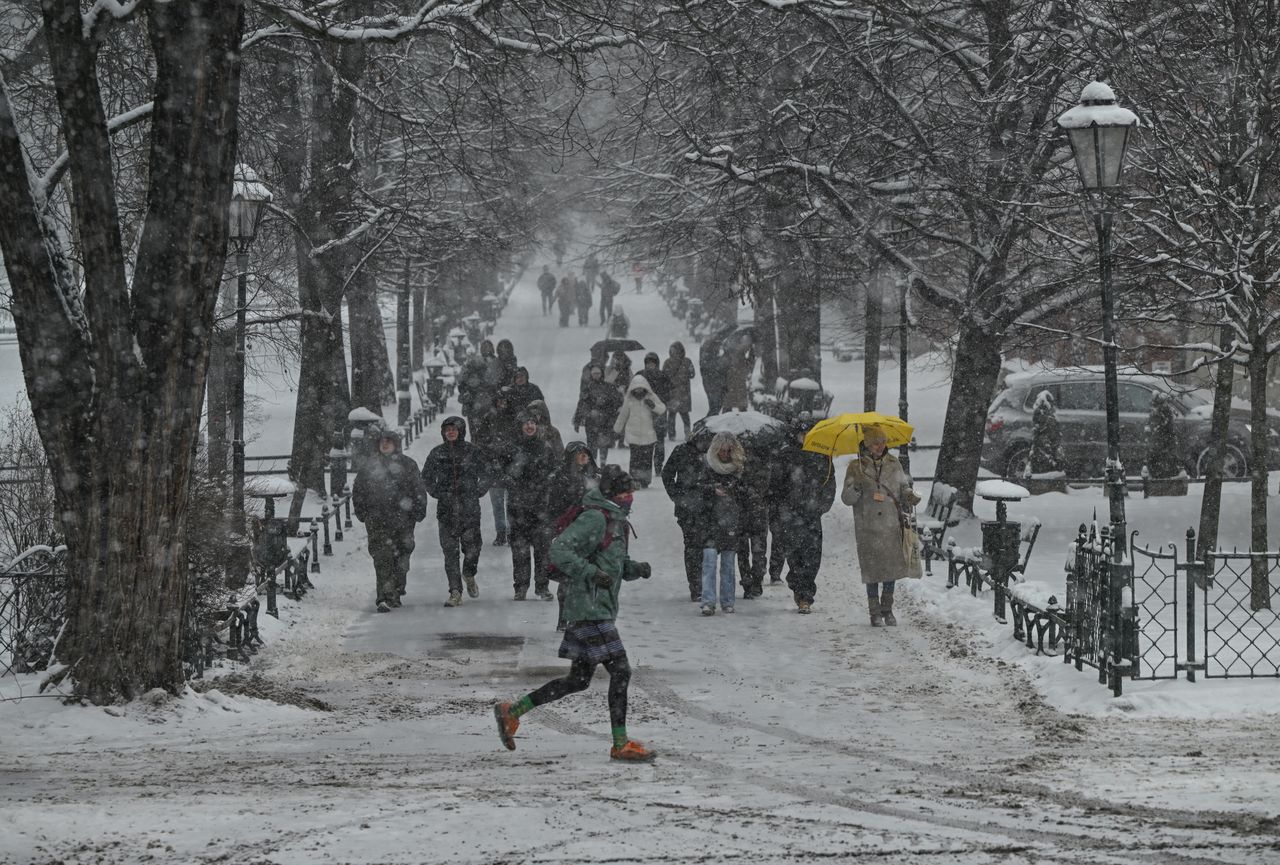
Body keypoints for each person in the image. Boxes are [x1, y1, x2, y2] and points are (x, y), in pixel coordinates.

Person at [492, 466, 656, 763]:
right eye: (624, 492)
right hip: (589, 608)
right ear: (611, 494)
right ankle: (620, 743)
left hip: (595, 607)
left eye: (631, 491)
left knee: (578, 680)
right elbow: (559, 550)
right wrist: (591, 573)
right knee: (621, 672)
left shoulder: (615, 520)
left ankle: (512, 712)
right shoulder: (595, 517)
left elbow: (611, 563)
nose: (630, 497)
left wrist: (634, 569)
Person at [841, 425, 921, 626]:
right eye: (876, 443)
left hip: (889, 525)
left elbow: (902, 487)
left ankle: (888, 608)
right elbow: (847, 499)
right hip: (867, 527)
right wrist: (857, 485)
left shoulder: (894, 464)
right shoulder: (855, 466)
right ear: (867, 444)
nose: (881, 446)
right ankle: (874, 611)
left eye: (883, 442)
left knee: (890, 568)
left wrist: (909, 495)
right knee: (872, 571)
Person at [351, 429, 428, 612]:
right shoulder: (369, 467)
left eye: (389, 441)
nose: (385, 445)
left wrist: (418, 510)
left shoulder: (408, 465)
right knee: (382, 557)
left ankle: (397, 588)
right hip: (377, 520)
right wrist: (363, 512)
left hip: (403, 520)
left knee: (402, 557)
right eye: (382, 442)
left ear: (395, 444)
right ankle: (383, 596)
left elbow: (418, 489)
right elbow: (358, 491)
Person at [421, 416, 492, 607]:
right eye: (447, 429)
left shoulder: (473, 452)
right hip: (446, 512)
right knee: (450, 553)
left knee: (473, 549)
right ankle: (455, 591)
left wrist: (478, 490)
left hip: (469, 511)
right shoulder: (437, 453)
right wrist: (437, 492)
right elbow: (426, 477)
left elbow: (487, 473)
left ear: (461, 431)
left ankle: (469, 574)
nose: (450, 432)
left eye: (454, 429)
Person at [769, 419, 836, 613]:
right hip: (790, 515)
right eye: (803, 433)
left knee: (812, 555)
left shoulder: (822, 455)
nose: (806, 437)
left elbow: (829, 482)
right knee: (795, 554)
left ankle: (805, 593)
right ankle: (800, 589)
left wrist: (822, 505)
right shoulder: (786, 455)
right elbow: (775, 486)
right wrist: (779, 509)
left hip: (812, 514)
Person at [502, 411, 559, 600]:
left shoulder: (545, 448)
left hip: (541, 506)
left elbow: (555, 469)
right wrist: (509, 480)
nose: (529, 426)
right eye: (526, 423)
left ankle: (542, 586)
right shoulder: (512, 448)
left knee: (543, 549)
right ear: (520, 426)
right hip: (518, 506)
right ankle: (521, 587)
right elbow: (499, 470)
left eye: (532, 422)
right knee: (520, 549)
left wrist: (549, 481)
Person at [547, 441, 600, 630]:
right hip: (569, 532)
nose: (583, 456)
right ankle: (564, 618)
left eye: (586, 452)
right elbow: (553, 507)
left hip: (592, 533)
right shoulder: (559, 478)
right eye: (579, 453)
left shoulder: (596, 476)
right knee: (567, 577)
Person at [698, 431, 746, 615]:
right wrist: (712, 490)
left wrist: (735, 489)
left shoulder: (739, 468)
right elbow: (698, 489)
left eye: (728, 451)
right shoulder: (707, 465)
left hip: (731, 521)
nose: (725, 454)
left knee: (728, 564)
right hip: (710, 520)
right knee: (709, 562)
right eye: (722, 451)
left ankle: (727, 601)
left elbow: (747, 493)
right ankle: (708, 601)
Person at [662, 428, 712, 601]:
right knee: (693, 547)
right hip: (688, 509)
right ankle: (696, 587)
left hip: (708, 507)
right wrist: (677, 495)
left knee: (706, 548)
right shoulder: (682, 451)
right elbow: (667, 473)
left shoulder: (711, 453)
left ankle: (703, 586)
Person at [476, 386, 518, 546]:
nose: (502, 404)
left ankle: (511, 532)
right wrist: (489, 456)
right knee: (497, 503)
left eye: (504, 400)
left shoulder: (515, 419)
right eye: (499, 400)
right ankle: (501, 532)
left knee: (511, 503)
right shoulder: (488, 419)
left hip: (511, 467)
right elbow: (481, 441)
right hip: (494, 468)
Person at [613, 375, 666, 489]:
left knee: (646, 459)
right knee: (635, 459)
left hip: (649, 434)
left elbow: (662, 409)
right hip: (633, 434)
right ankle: (635, 480)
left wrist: (653, 406)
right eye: (636, 388)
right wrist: (616, 429)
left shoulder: (651, 397)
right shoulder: (629, 400)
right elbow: (623, 415)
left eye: (640, 387)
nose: (638, 390)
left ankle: (645, 480)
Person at [735, 443, 770, 599]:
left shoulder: (762, 463)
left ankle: (755, 581)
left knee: (756, 553)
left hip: (756, 514)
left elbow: (765, 487)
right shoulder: (735, 464)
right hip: (745, 514)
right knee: (746, 552)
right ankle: (750, 583)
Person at [574, 363, 621, 465]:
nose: (596, 375)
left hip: (605, 421)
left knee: (603, 444)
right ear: (591, 374)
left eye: (598, 373)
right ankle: (593, 465)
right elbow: (581, 404)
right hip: (590, 422)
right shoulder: (587, 388)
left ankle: (603, 465)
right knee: (591, 445)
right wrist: (577, 420)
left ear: (601, 374)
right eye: (594, 373)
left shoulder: (608, 387)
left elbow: (616, 402)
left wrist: (605, 406)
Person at [638, 352, 672, 477]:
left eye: (652, 363)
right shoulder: (641, 376)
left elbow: (669, 394)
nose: (650, 365)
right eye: (648, 363)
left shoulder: (662, 376)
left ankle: (658, 466)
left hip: (658, 413)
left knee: (659, 441)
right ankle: (646, 467)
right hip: (645, 413)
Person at [662, 341, 696, 441]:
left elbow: (692, 375)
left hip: (681, 392)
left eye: (674, 350)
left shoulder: (686, 361)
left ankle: (685, 433)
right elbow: (663, 377)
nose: (673, 352)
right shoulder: (669, 362)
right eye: (672, 350)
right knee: (674, 415)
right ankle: (673, 435)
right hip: (675, 392)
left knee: (682, 414)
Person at [722, 333, 753, 412]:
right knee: (739, 407)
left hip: (731, 383)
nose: (748, 348)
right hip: (736, 382)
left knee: (728, 407)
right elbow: (747, 367)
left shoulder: (730, 355)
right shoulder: (739, 355)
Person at [699, 335, 725, 416]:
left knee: (716, 407)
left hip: (715, 385)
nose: (719, 348)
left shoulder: (713, 357)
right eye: (717, 345)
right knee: (715, 407)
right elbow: (710, 370)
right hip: (712, 385)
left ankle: (709, 423)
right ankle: (707, 424)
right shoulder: (709, 358)